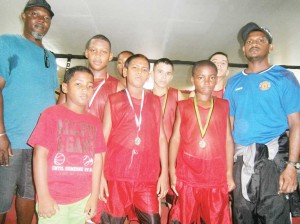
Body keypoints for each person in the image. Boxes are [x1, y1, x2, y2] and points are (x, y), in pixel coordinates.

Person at [224, 22, 300, 223]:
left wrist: (292, 166)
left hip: (274, 160)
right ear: (243, 49)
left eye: (260, 40)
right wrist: (228, 170)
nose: (254, 43)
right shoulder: (233, 83)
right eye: (249, 41)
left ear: (270, 47)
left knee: (274, 217)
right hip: (242, 161)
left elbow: (296, 124)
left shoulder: (284, 77)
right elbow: (228, 129)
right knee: (243, 217)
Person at [0, 0, 58, 223]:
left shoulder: (50, 58)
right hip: (10, 142)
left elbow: (48, 98)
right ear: (24, 17)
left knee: (28, 196)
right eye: (35, 14)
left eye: (46, 17)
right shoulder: (7, 43)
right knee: (2, 200)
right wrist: (1, 135)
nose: (40, 20)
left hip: (39, 146)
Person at [28, 66, 106, 224]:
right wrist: (43, 196)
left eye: (90, 86)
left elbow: (98, 160)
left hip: (82, 198)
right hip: (54, 198)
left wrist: (94, 196)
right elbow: (39, 155)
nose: (85, 89)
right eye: (78, 84)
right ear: (65, 87)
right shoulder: (51, 114)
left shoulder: (95, 121)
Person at [99, 54, 169, 223]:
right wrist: (100, 175)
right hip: (117, 175)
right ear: (125, 71)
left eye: (144, 69)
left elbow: (161, 137)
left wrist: (164, 173)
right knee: (111, 221)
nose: (139, 72)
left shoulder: (154, 101)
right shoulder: (114, 100)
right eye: (135, 68)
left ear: (148, 75)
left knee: (153, 220)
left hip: (147, 177)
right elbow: (103, 139)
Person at [169, 60, 235, 224]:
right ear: (193, 79)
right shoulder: (183, 105)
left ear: (216, 78)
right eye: (201, 77)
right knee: (184, 217)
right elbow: (175, 138)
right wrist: (171, 169)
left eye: (211, 77)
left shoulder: (223, 105)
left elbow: (228, 139)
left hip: (215, 175)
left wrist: (229, 173)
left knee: (215, 217)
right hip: (188, 174)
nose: (207, 82)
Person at [58, 34, 124, 122]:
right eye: (93, 50)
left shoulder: (118, 87)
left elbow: (120, 124)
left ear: (110, 56)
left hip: (100, 135)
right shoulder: (71, 81)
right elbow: (58, 114)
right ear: (86, 53)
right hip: (70, 134)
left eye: (103, 51)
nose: (98, 55)